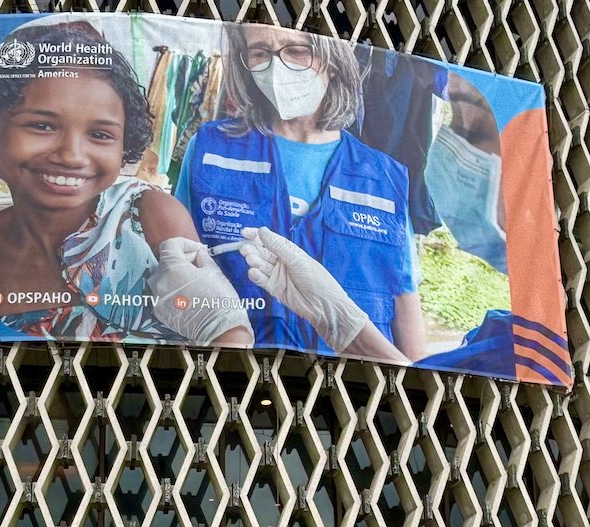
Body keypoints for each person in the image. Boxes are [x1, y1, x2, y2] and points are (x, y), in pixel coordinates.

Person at [0, 23, 252, 348]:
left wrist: (221, 325)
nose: (72, 156)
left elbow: (229, 341)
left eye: (100, 134)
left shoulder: (147, 215)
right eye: (42, 126)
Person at [175, 25, 424, 361]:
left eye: (296, 51)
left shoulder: (384, 178)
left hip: (349, 388)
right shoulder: (210, 148)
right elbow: (179, 267)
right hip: (233, 377)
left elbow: (404, 301)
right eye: (260, 53)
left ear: (332, 60)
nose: (278, 68)